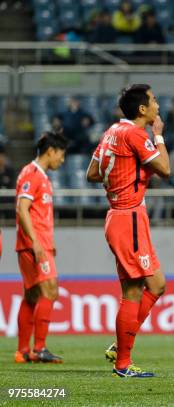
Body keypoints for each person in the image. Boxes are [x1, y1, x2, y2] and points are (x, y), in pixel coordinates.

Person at [85, 84, 171, 377]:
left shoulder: (112, 131)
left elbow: (92, 173)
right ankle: (123, 361)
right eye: (154, 99)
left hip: (121, 216)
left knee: (155, 286)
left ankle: (120, 348)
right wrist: (158, 135)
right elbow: (165, 168)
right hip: (129, 217)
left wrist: (128, 174)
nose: (158, 104)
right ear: (143, 109)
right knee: (136, 291)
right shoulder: (136, 134)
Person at [14, 131, 68, 364]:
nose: (62, 160)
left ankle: (23, 351)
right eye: (61, 155)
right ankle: (39, 348)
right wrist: (36, 241)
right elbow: (22, 208)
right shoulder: (32, 174)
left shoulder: (42, 176)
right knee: (51, 291)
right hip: (34, 245)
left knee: (32, 296)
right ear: (51, 151)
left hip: (37, 243)